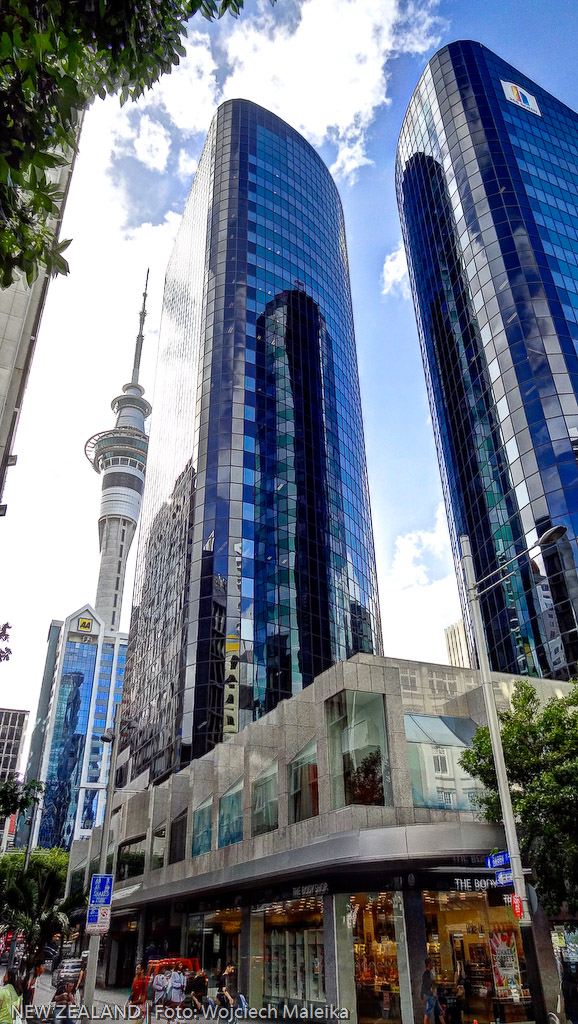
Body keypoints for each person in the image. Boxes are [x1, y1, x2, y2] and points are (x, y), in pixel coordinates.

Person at [421, 959, 445, 1024]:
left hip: (433, 995)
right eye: (432, 963)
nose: (433, 965)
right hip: (431, 995)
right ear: (429, 964)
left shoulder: (428, 973)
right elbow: (429, 984)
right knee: (428, 1011)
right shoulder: (428, 974)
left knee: (440, 1011)